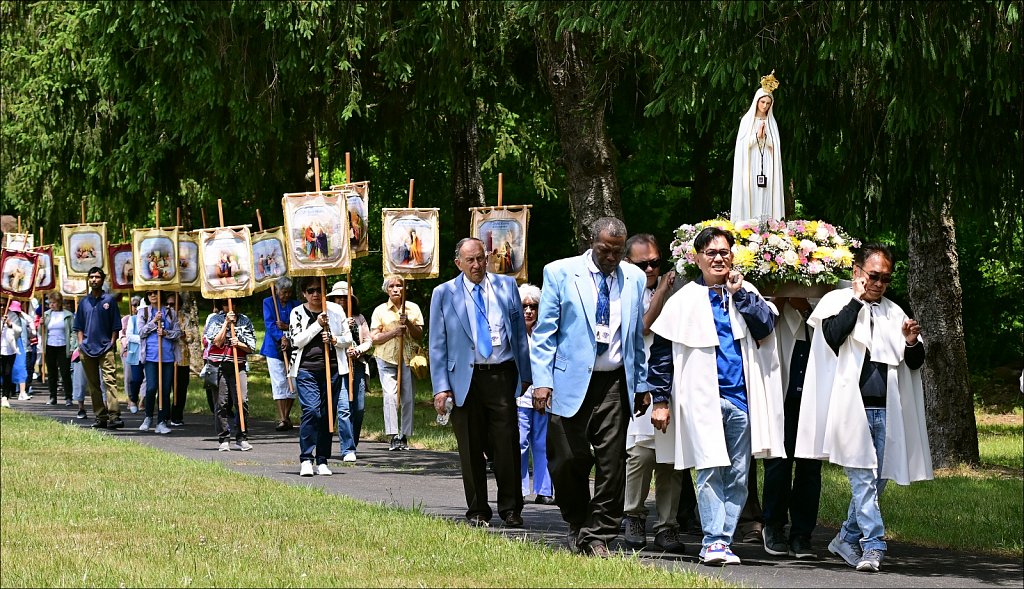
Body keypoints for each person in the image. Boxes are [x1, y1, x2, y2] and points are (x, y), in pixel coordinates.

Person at [646, 226, 784, 566]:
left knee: (738, 474)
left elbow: (765, 328)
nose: (719, 258)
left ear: (732, 256)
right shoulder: (682, 300)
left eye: (724, 252)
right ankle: (714, 540)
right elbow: (661, 354)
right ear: (697, 259)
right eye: (711, 253)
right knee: (709, 468)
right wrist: (660, 400)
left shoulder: (746, 291)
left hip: (742, 398)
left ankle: (722, 537)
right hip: (700, 397)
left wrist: (740, 296)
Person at [797, 243, 929, 573]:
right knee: (863, 481)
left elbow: (914, 363)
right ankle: (873, 544)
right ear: (857, 271)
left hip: (885, 408)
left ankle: (845, 537)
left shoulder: (894, 311)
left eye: (886, 278)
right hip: (849, 407)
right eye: (874, 276)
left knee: (878, 480)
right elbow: (832, 336)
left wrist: (911, 343)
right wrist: (856, 300)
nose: (880, 284)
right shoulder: (836, 302)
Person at [531, 217, 649, 557]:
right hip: (569, 380)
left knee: (612, 465)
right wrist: (542, 382)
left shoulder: (635, 278)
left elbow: (635, 340)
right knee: (567, 460)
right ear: (590, 241)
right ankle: (577, 518)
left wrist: (640, 383)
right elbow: (544, 335)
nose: (611, 257)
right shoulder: (560, 273)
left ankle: (600, 535)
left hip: (614, 381)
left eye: (618, 251)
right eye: (604, 250)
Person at [429, 238, 532, 528]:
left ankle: (511, 508)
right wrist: (440, 387)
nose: (476, 265)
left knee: (507, 444)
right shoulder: (444, 293)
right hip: (464, 378)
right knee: (471, 446)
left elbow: (519, 335)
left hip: (501, 373)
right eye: (469, 261)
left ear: (487, 258)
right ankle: (477, 510)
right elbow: (437, 344)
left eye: (480, 259)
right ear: (458, 263)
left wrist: (526, 375)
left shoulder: (506, 286)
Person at [620, 234, 686, 554]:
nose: (650, 269)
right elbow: (644, 327)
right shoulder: (625, 291)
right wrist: (661, 290)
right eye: (642, 264)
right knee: (641, 453)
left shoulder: (679, 291)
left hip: (671, 380)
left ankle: (667, 524)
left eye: (655, 263)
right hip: (638, 383)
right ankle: (633, 514)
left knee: (670, 458)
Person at [761, 296, 822, 560]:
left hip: (813, 387)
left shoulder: (827, 289)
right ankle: (773, 527)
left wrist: (805, 307)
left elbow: (829, 330)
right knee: (778, 463)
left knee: (810, 466)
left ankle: (802, 535)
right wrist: (778, 300)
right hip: (780, 385)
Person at [288, 277, 353, 476]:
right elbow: (296, 341)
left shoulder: (336, 310)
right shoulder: (297, 312)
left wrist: (334, 339)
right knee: (312, 411)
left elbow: (348, 339)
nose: (316, 294)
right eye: (311, 290)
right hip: (306, 369)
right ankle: (306, 458)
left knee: (327, 415)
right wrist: (317, 325)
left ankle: (322, 459)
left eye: (319, 290)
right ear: (304, 294)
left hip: (332, 369)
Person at [370, 274, 424, 451]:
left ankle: (405, 435)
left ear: (404, 288)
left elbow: (419, 334)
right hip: (386, 357)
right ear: (386, 289)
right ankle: (393, 435)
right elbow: (374, 338)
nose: (395, 289)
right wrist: (393, 333)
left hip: (408, 358)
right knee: (390, 396)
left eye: (399, 286)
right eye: (392, 286)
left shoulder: (413, 308)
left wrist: (407, 322)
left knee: (408, 398)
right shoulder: (380, 311)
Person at [515, 283, 553, 506]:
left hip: (543, 396)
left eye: (533, 306)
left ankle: (544, 489)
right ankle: (518, 487)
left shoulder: (546, 333)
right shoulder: (514, 333)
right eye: (524, 306)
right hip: (519, 396)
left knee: (542, 443)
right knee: (519, 442)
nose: (529, 311)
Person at [73, 267, 123, 429]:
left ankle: (114, 416)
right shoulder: (83, 302)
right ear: (88, 279)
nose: (94, 279)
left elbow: (116, 326)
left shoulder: (109, 301)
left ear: (102, 280)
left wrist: (111, 343)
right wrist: (81, 343)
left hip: (105, 348)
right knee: (93, 384)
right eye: (91, 277)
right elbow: (78, 326)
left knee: (109, 381)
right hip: (87, 349)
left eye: (97, 277)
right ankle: (100, 416)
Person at [327, 280, 372, 462]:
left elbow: (368, 340)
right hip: (340, 366)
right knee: (344, 408)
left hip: (357, 365)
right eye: (338, 298)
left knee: (358, 408)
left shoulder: (359, 318)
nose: (342, 302)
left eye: (345, 299)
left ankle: (353, 441)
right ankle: (347, 448)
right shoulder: (328, 318)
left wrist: (358, 350)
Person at [204, 299, 257, 451]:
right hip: (219, 365)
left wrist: (238, 343)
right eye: (227, 304)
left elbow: (251, 346)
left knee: (242, 401)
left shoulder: (245, 320)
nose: (230, 307)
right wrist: (226, 324)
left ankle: (242, 437)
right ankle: (224, 438)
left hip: (238, 366)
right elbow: (215, 342)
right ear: (222, 306)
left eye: (234, 304)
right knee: (221, 403)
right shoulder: (215, 319)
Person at [730, 71, 784, 222]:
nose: (765, 106)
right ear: (756, 102)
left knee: (766, 194)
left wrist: (765, 138)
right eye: (762, 102)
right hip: (750, 163)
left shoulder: (772, 123)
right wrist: (756, 137)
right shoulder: (747, 121)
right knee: (751, 192)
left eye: (768, 103)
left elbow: (776, 147)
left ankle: (767, 225)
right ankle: (749, 223)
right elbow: (742, 147)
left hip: (767, 163)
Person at [137, 291, 180, 434]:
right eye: (149, 293)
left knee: (165, 390)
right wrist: (154, 321)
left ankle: (162, 421)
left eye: (156, 293)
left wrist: (166, 333)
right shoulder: (143, 312)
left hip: (167, 356)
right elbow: (141, 332)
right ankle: (148, 416)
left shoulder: (171, 312)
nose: (153, 296)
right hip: (150, 356)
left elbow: (178, 333)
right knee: (151, 387)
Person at [261, 277, 299, 431]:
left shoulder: (296, 305)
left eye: (289, 292)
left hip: (293, 346)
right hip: (273, 347)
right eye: (284, 293)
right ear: (277, 291)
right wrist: (281, 336)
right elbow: (269, 324)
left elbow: (298, 325)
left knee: (292, 383)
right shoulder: (269, 302)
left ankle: (287, 415)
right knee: (279, 382)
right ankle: (282, 418)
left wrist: (287, 327)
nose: (286, 295)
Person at [41, 293, 75, 407]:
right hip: (50, 346)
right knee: (51, 373)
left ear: (60, 303)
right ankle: (52, 397)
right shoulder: (46, 315)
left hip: (63, 346)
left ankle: (68, 397)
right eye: (50, 303)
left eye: (54, 303)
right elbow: (41, 332)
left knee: (65, 372)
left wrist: (72, 346)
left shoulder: (68, 315)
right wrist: (40, 325)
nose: (51, 305)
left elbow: (73, 332)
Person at [168, 292, 197, 426]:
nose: (170, 307)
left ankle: (177, 416)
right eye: (167, 304)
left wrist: (182, 335)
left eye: (173, 304)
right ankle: (164, 414)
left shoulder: (184, 318)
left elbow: (191, 337)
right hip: (166, 358)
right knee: (164, 387)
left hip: (182, 358)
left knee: (180, 388)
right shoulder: (162, 316)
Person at [120, 295, 144, 413]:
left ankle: (143, 400)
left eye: (138, 304)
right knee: (131, 378)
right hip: (129, 352)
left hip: (145, 352)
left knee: (145, 379)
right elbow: (123, 335)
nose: (136, 307)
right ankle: (131, 399)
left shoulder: (147, 317)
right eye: (134, 305)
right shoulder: (126, 319)